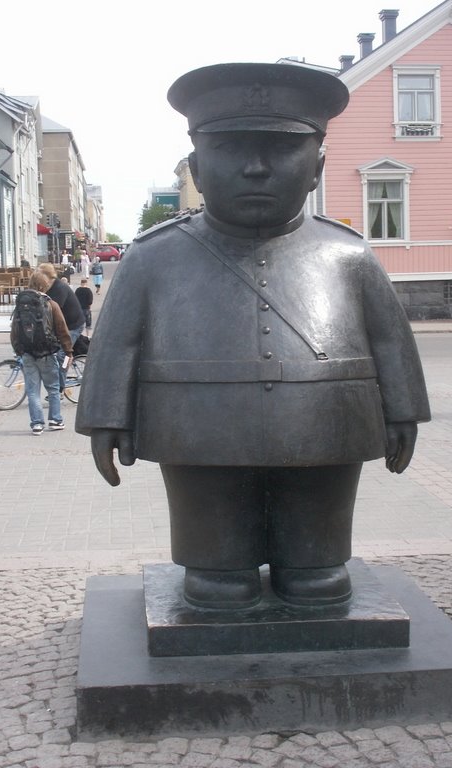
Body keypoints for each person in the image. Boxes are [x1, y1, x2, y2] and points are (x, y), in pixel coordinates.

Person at [77, 63, 429, 610]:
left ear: (317, 166)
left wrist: (403, 409)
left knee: (318, 578)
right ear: (196, 165)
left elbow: (389, 339)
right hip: (198, 431)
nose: (257, 169)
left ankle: (311, 557)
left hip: (324, 426)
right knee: (219, 583)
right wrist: (104, 416)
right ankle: (220, 562)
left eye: (279, 150)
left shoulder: (349, 255)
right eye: (232, 150)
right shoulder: (153, 257)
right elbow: (117, 341)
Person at [11, 272, 73, 435]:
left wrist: (19, 350)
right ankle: (55, 420)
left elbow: (14, 330)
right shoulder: (51, 304)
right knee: (53, 388)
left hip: (28, 353)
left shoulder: (21, 305)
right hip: (47, 352)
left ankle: (37, 424)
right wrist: (68, 351)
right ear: (45, 285)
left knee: (32, 390)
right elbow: (62, 330)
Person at [37, 262, 85, 392]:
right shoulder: (48, 288)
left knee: (62, 356)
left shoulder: (60, 288)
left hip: (74, 325)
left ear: (47, 276)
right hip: (64, 325)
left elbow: (53, 313)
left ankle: (60, 389)